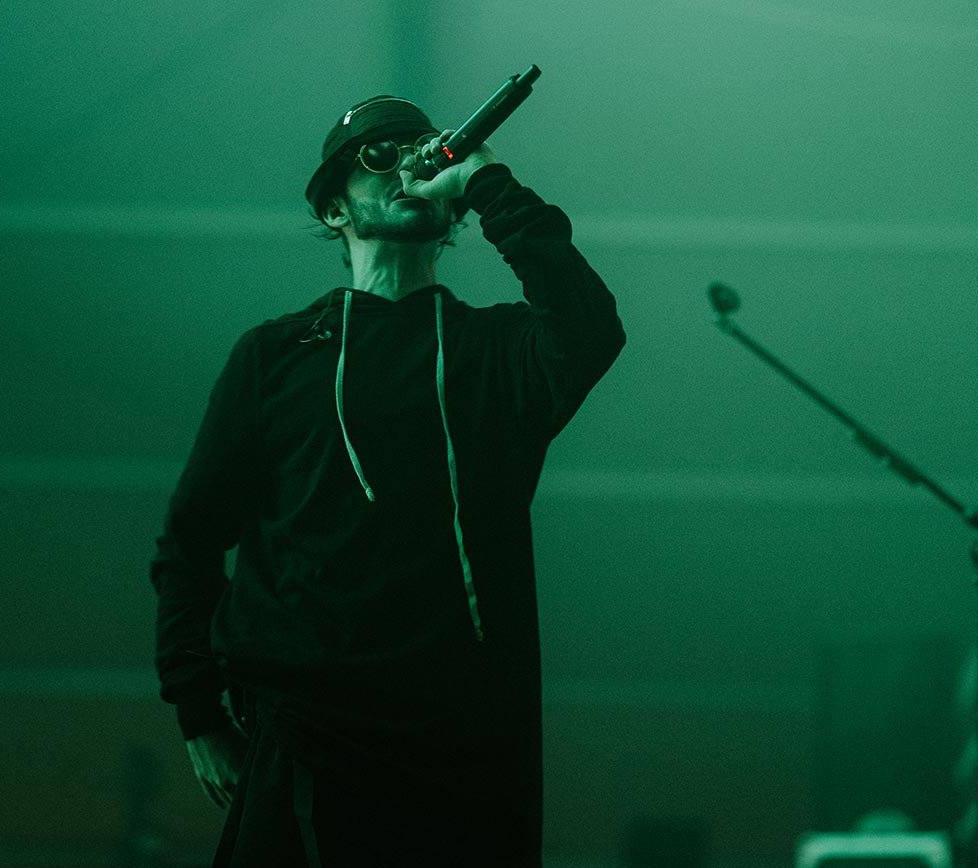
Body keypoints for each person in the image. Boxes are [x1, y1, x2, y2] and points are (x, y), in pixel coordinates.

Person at [149, 94, 625, 867]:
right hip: (306, 730)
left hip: (464, 741)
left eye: (420, 150)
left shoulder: (495, 351)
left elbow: (590, 327)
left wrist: (486, 180)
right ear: (333, 207)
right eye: (378, 157)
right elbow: (190, 541)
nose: (405, 166)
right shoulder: (276, 357)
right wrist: (198, 711)